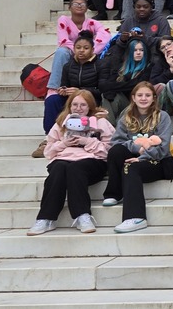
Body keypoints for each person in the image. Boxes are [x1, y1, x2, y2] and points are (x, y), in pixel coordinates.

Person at [27, 90, 114, 236]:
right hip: (63, 159)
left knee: (75, 168)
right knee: (58, 168)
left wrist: (88, 142)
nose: (78, 108)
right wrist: (63, 144)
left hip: (92, 161)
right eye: (75, 105)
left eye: (83, 105)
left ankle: (83, 216)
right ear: (69, 106)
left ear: (90, 107)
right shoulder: (61, 123)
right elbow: (48, 152)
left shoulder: (100, 122)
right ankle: (45, 218)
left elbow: (110, 150)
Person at [101, 81, 173, 232]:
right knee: (115, 151)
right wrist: (138, 148)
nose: (144, 98)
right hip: (138, 156)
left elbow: (163, 148)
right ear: (133, 98)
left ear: (154, 98)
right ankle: (115, 193)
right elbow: (117, 142)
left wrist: (142, 157)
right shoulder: (126, 117)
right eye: (140, 95)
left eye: (148, 95)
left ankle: (136, 217)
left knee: (131, 167)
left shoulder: (162, 117)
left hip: (162, 162)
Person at [44, 0, 111, 110]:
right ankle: (54, 88)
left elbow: (105, 36)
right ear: (69, 7)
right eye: (76, 3)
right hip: (70, 54)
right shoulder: (63, 20)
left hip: (89, 57)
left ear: (86, 8)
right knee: (61, 52)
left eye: (83, 4)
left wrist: (89, 50)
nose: (79, 6)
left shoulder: (92, 23)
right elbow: (63, 40)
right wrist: (78, 49)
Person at [39, 32, 102, 149]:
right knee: (52, 100)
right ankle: (49, 137)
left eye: (86, 48)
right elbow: (64, 85)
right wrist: (63, 90)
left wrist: (80, 91)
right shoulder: (68, 66)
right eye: (78, 48)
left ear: (93, 50)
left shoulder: (100, 65)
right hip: (72, 100)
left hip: (92, 100)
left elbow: (102, 89)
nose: (81, 50)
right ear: (73, 49)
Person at [98, 35, 152, 119]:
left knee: (114, 93)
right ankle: (110, 125)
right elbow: (106, 85)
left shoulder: (149, 67)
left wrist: (115, 87)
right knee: (106, 95)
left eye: (141, 50)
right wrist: (116, 88)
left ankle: (110, 126)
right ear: (130, 52)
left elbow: (136, 85)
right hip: (123, 102)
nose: (138, 53)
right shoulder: (121, 67)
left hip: (138, 102)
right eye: (135, 50)